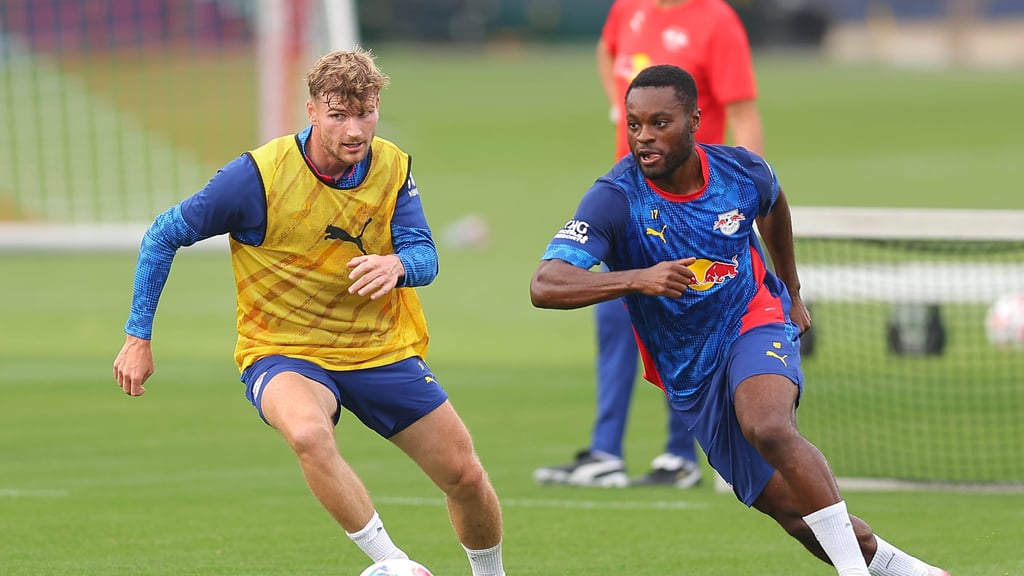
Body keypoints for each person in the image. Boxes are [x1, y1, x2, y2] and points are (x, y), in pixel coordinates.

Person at [529, 64, 948, 576]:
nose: (644, 137)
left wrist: (791, 292)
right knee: (797, 516)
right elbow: (545, 284)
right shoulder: (615, 198)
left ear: (695, 120)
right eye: (635, 124)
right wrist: (638, 278)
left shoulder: (741, 172)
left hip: (753, 319)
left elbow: (772, 203)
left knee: (768, 424)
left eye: (661, 122)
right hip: (689, 371)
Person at [112, 47, 506, 576]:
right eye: (338, 113)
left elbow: (425, 255)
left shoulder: (391, 166)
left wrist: (397, 266)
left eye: (364, 112)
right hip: (284, 349)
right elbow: (164, 234)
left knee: (465, 476)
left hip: (378, 347)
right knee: (306, 433)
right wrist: (138, 336)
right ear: (312, 111)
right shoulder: (256, 177)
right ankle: (392, 565)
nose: (354, 129)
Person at [534, 0, 764, 488]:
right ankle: (605, 452)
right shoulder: (627, 10)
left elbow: (744, 114)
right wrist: (618, 109)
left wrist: (745, 199)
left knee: (687, 325)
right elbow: (606, 51)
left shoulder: (716, 20)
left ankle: (682, 455)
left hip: (695, 208)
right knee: (613, 315)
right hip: (633, 200)